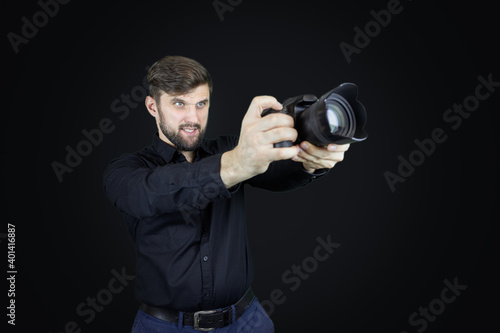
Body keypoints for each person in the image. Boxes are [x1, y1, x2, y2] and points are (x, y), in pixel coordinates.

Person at [103, 55, 349, 332]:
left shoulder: (230, 148)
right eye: (179, 103)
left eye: (201, 104)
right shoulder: (127, 170)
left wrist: (310, 163)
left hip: (247, 321)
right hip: (165, 327)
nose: (192, 118)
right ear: (153, 106)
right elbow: (148, 194)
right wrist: (234, 166)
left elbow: (279, 174)